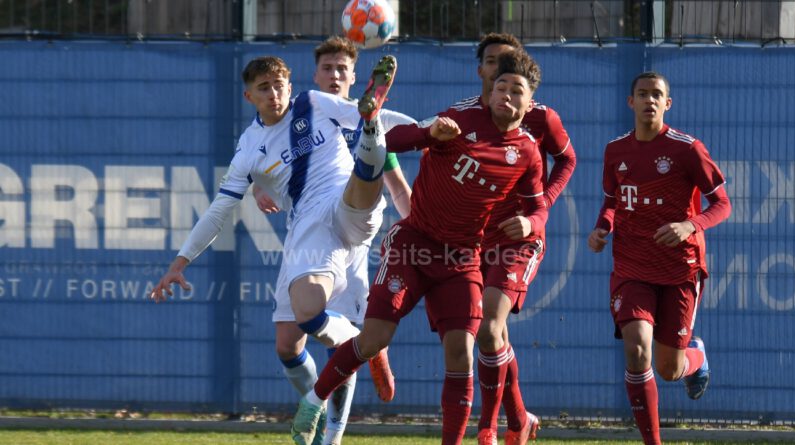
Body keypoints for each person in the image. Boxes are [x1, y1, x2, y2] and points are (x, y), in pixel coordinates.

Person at [291, 49, 549, 445]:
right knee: (373, 338)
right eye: (501, 87)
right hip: (414, 245)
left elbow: (537, 206)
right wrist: (429, 135)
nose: (506, 96)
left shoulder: (528, 151)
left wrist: (531, 222)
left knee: (461, 352)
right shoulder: (460, 118)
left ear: (530, 104)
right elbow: (389, 142)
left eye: (517, 91)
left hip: (462, 258)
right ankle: (313, 401)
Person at [148, 54, 405, 445]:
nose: (274, 93)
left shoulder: (313, 103)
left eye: (279, 85)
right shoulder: (249, 149)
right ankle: (362, 344)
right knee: (290, 340)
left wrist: (430, 129)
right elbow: (219, 210)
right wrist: (179, 263)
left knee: (367, 148)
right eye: (264, 88)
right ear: (249, 96)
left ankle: (331, 436)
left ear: (290, 85)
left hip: (344, 213)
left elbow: (383, 118)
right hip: (307, 228)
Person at [251, 37, 414, 445]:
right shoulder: (298, 116)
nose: (335, 75)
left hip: (349, 243)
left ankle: (332, 437)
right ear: (315, 75)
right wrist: (256, 186)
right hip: (306, 237)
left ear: (354, 77)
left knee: (339, 349)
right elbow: (260, 160)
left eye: (343, 69)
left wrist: (418, 225)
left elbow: (397, 188)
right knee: (287, 345)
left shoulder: (367, 125)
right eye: (328, 68)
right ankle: (329, 393)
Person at [587, 72, 731, 445]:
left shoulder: (688, 149)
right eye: (642, 94)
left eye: (657, 95)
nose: (649, 100)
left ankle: (695, 358)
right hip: (632, 266)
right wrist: (602, 227)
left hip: (680, 268)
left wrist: (690, 225)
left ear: (667, 103)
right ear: (631, 102)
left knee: (669, 369)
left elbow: (722, 204)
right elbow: (612, 201)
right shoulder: (615, 150)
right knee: (637, 349)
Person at [451, 32, 577, 445]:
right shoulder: (464, 116)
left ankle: (488, 427)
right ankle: (520, 419)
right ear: (481, 70)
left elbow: (567, 159)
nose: (501, 71)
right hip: (475, 237)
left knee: (489, 327)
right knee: (495, 334)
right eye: (493, 63)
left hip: (520, 237)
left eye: (510, 63)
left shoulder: (540, 117)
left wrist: (539, 212)